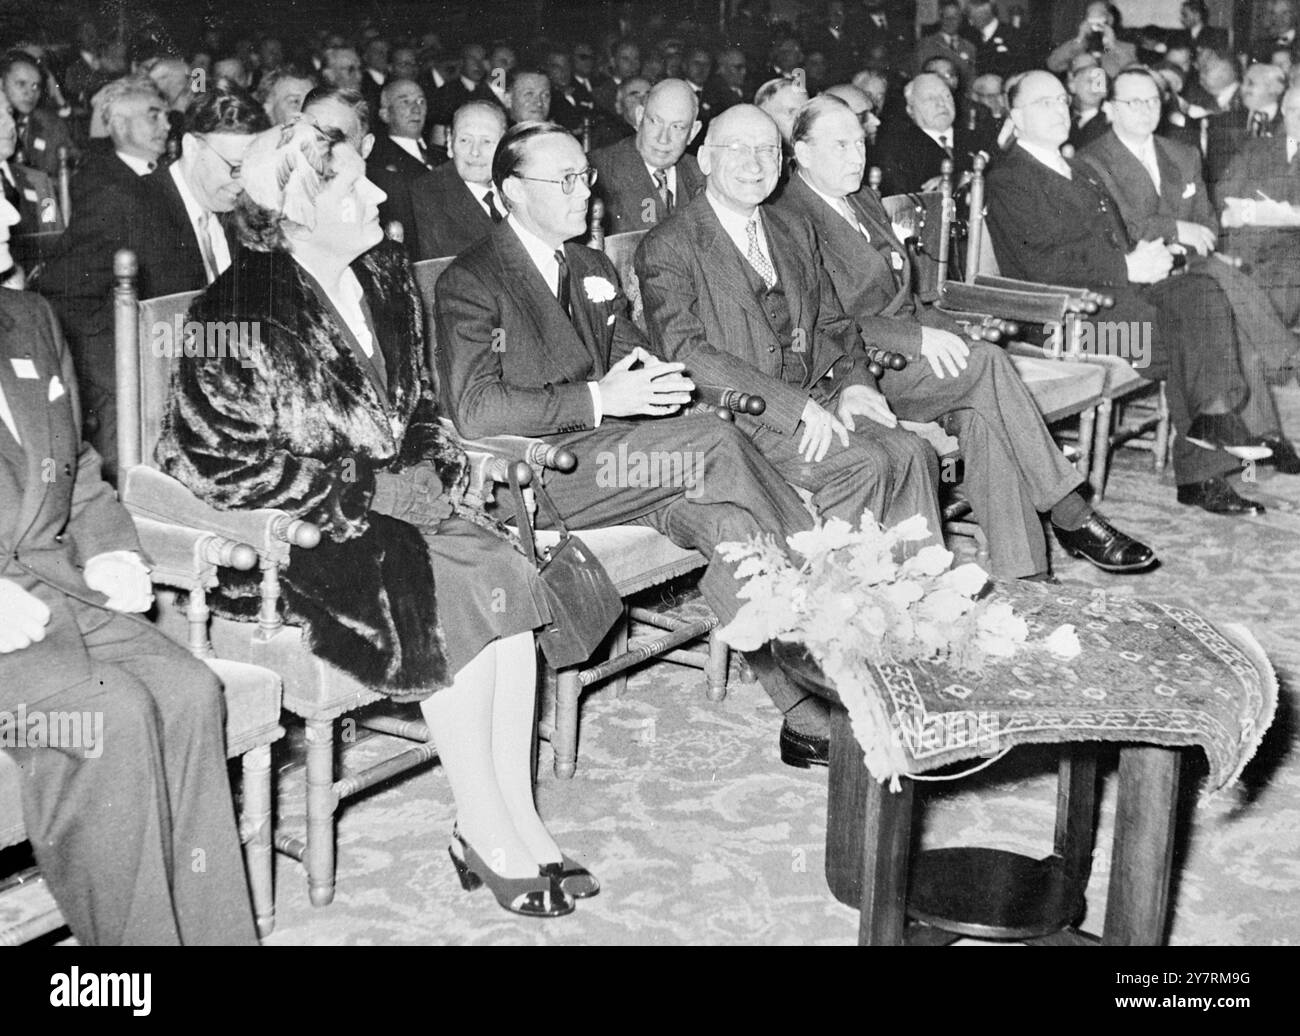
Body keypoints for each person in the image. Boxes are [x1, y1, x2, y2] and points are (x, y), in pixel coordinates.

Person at [156, 116, 590, 918]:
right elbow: (211, 460)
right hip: (309, 539)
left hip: (405, 507)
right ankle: (485, 829)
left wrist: (428, 465)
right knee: (448, 591)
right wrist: (364, 490)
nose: (380, 191)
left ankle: (515, 815)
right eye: (353, 184)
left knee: (505, 574)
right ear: (292, 205)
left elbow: (423, 403)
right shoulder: (236, 307)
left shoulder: (386, 276)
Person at [434, 121, 833, 770]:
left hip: (629, 463)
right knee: (713, 440)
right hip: (539, 478)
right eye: (562, 180)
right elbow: (475, 412)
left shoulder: (588, 266)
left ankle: (808, 712)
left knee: (731, 521)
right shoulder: (473, 280)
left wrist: (672, 382)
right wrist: (598, 401)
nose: (583, 192)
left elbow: (637, 363)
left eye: (584, 176)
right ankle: (843, 611)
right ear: (511, 190)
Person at [776, 94, 1156, 577]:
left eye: (860, 143)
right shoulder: (789, 218)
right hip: (856, 371)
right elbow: (822, 324)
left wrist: (947, 334)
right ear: (802, 152)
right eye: (840, 145)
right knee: (987, 364)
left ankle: (1028, 577)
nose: (857, 157)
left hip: (906, 358)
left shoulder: (861, 200)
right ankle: (1070, 511)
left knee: (983, 415)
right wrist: (917, 341)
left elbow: (909, 297)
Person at [0, 283, 258, 945]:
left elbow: (76, 465)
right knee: (109, 719)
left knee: (189, 692)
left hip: (56, 585)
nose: (8, 213)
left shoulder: (26, 314)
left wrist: (113, 548)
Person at [635, 105, 944, 550]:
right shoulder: (670, 245)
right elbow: (687, 354)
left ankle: (920, 596)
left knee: (912, 453)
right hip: (739, 417)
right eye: (737, 149)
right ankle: (834, 605)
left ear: (782, 164)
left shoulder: (794, 228)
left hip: (820, 394)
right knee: (864, 465)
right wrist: (793, 407)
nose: (754, 163)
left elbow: (835, 323)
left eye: (767, 150)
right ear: (704, 160)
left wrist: (857, 383)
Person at [986, 70, 1268, 516]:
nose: (1060, 109)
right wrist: (1127, 266)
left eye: (1063, 100)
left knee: (1202, 292)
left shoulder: (1076, 169)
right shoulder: (1011, 178)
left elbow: (1112, 242)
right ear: (1015, 117)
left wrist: (1145, 259)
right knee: (1189, 336)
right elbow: (1041, 264)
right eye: (1045, 103)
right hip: (1070, 328)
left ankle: (1214, 419)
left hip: (1119, 303)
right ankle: (1203, 461)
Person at [1079, 66, 1300, 470]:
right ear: (1110, 109)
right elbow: (1122, 228)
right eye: (1134, 101)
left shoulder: (1182, 153)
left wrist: (1190, 233)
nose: (1146, 109)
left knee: (1225, 302)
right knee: (1223, 291)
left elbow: (1210, 223)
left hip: (1193, 268)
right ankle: (1282, 373)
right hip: (1143, 278)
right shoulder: (1092, 162)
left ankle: (1260, 433)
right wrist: (1177, 227)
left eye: (1153, 100)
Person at [1216, 83, 1300, 331]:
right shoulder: (1256, 149)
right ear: (1283, 110)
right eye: (1294, 110)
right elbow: (1224, 194)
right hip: (1248, 247)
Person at [590, 79, 704, 234]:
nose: (663, 139)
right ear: (639, 117)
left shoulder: (703, 176)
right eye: (655, 122)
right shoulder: (597, 172)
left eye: (677, 127)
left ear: (693, 132)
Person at [413, 100, 507, 259]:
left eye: (486, 141)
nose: (475, 152)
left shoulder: (521, 187)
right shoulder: (425, 197)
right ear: (449, 143)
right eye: (465, 140)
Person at [874, 73, 979, 195]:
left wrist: (960, 178)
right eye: (930, 98)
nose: (941, 103)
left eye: (946, 96)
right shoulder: (898, 148)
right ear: (910, 109)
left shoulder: (977, 138)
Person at [367, 78, 436, 248]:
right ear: (385, 114)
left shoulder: (440, 154)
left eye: (421, 101)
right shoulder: (378, 162)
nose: (416, 109)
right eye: (405, 102)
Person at [1205, 63, 1287, 187]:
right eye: (1243, 82)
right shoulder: (1223, 122)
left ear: (1276, 88)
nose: (1243, 89)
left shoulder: (1289, 123)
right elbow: (1216, 172)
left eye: (1251, 83)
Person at [1, 51, 75, 183]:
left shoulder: (52, 126)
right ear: (1, 84)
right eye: (21, 84)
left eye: (36, 86)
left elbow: (71, 177)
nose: (30, 93)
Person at [1047, 1, 1139, 81]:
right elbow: (1052, 64)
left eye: (1099, 15)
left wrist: (1111, 45)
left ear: (1109, 19)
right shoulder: (1079, 47)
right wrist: (1080, 39)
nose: (1095, 23)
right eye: (1090, 16)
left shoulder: (1127, 48)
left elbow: (1133, 72)